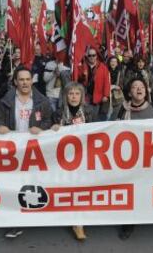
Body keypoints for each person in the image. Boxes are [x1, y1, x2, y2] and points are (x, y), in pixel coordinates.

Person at [0, 66, 52, 238]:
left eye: (28, 79)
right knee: (13, 186)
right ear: (15, 82)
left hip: (34, 151)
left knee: (32, 185)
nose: (25, 82)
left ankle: (34, 214)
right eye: (21, 80)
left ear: (32, 81)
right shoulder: (5, 101)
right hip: (13, 151)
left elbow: (49, 120)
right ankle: (15, 221)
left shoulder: (42, 101)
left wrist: (41, 127)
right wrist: (0, 126)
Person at [113, 77, 153, 239]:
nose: (138, 89)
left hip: (148, 158)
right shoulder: (122, 109)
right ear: (129, 92)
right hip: (127, 159)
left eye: (141, 87)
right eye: (134, 87)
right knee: (129, 192)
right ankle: (128, 224)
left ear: (146, 91)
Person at [50, 82, 94, 241]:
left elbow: (99, 132)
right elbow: (50, 136)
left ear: (82, 97)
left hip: (84, 157)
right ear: (65, 96)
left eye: (77, 93)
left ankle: (79, 223)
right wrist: (53, 129)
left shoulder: (89, 112)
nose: (74, 97)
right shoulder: (58, 113)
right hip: (64, 158)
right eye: (70, 93)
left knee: (81, 189)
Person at [79, 47, 110, 121]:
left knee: (95, 117)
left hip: (97, 96)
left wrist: (106, 95)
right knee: (85, 116)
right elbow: (78, 80)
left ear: (96, 56)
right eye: (90, 55)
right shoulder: (83, 66)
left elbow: (107, 82)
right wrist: (82, 76)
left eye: (94, 55)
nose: (92, 57)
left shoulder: (102, 67)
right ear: (87, 56)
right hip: (85, 96)